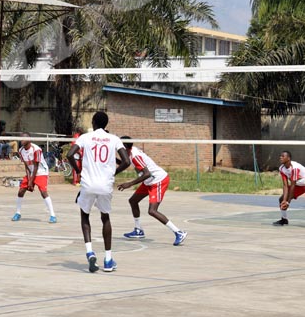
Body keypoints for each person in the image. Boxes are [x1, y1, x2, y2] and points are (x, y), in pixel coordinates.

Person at [67, 112, 131, 273]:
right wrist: (113, 173)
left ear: (94, 122)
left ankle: (90, 252)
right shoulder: (114, 139)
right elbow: (126, 161)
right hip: (105, 185)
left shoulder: (85, 137)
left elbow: (69, 154)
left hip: (88, 184)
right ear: (106, 124)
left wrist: (78, 170)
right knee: (105, 218)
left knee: (84, 215)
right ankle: (108, 260)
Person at [116, 137, 187, 246]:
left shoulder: (135, 156)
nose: (118, 150)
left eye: (120, 148)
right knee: (133, 201)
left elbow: (146, 173)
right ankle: (138, 230)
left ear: (125, 148)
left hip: (158, 180)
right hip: (149, 181)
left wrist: (129, 184)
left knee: (152, 211)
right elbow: (125, 163)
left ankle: (179, 232)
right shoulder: (131, 152)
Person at [10, 133, 57, 223]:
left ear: (30, 139)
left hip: (41, 172)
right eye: (21, 138)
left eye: (24, 138)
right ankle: (18, 213)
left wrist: (31, 182)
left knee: (43, 191)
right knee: (21, 191)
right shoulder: (21, 150)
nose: (22, 140)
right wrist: (28, 180)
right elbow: (26, 166)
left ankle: (52, 215)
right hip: (31, 172)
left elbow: (36, 166)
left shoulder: (36, 149)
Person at [274, 150, 305, 225]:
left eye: (282, 156)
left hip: (299, 183)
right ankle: (284, 219)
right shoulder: (282, 168)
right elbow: (285, 185)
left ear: (288, 158)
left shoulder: (294, 168)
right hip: (300, 184)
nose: (280, 157)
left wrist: (288, 202)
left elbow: (293, 185)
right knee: (281, 199)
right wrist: (284, 200)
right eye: (280, 156)